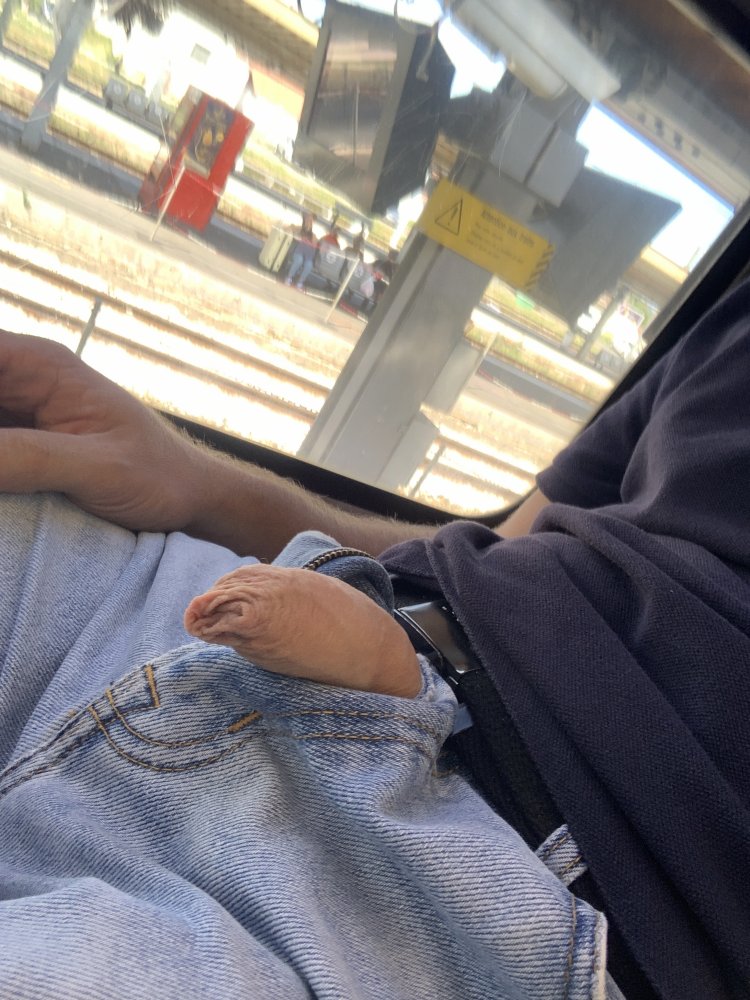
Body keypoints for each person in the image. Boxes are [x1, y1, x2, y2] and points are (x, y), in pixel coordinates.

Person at [1, 276, 750, 999]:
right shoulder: (733, 323)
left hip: (478, 917)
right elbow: (499, 550)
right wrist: (200, 485)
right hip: (173, 608)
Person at [284, 211, 317, 290]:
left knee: (309, 265)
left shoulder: (313, 235)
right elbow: (288, 229)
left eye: (311, 220)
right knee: (299, 260)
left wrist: (311, 242)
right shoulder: (299, 228)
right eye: (308, 218)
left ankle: (300, 282)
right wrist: (293, 230)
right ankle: (289, 277)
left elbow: (314, 245)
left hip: (307, 254)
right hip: (298, 251)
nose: (309, 221)